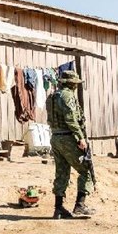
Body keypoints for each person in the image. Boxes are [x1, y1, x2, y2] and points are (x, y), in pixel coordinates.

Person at [45, 70, 95, 219]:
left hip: (55, 137)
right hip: (68, 138)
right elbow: (71, 119)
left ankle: (58, 208)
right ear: (72, 83)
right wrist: (80, 138)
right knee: (85, 170)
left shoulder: (52, 96)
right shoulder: (67, 96)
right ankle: (80, 205)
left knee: (61, 172)